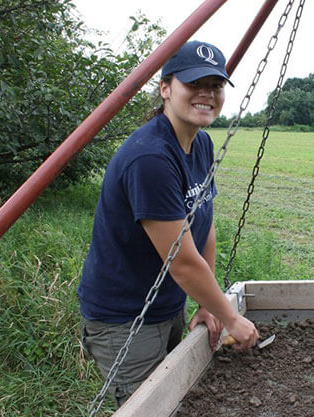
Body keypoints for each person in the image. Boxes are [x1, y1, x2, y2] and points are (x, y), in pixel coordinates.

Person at [77, 40, 259, 408]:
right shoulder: (150, 158)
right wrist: (230, 316)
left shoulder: (202, 143)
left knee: (180, 397)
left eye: (216, 85)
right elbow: (182, 262)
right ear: (165, 88)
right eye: (194, 84)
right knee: (151, 406)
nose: (206, 94)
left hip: (168, 301)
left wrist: (207, 306)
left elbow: (203, 223)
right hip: (125, 317)